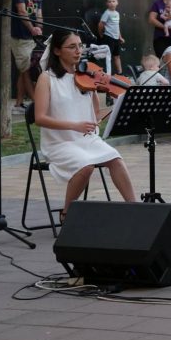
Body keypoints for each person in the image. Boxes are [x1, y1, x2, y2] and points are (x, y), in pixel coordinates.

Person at [33, 30, 137, 221]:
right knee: (85, 165)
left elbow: (95, 115)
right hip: (59, 143)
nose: (78, 51)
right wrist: (75, 125)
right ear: (57, 51)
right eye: (72, 47)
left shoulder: (86, 77)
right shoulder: (46, 79)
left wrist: (116, 109)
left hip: (86, 140)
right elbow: (39, 118)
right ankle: (67, 213)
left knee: (116, 159)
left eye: (80, 46)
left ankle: (135, 209)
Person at [11, 0, 44, 113]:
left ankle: (18, 105)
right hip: (19, 37)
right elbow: (22, 11)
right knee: (25, 70)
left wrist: (39, 28)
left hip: (32, 38)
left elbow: (39, 15)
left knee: (24, 70)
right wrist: (32, 29)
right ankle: (37, 105)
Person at [98, 0, 125, 75]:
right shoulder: (107, 13)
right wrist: (101, 34)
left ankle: (120, 73)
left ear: (117, 2)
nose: (112, 3)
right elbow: (101, 24)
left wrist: (120, 37)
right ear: (107, 3)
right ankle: (108, 74)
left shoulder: (117, 13)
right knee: (108, 57)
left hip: (116, 38)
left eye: (113, 1)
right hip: (108, 37)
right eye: (109, 2)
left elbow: (117, 26)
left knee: (117, 56)